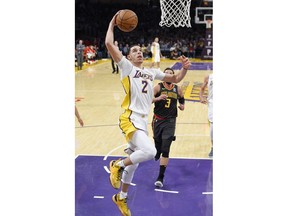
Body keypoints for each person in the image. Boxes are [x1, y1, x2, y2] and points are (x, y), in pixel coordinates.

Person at [105, 11, 191, 216]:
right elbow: (109, 44)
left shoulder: (151, 72)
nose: (139, 53)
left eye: (140, 50)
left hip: (143, 122)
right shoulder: (126, 68)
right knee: (151, 152)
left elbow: (176, 79)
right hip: (130, 117)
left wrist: (184, 68)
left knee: (134, 164)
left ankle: (121, 198)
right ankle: (116, 164)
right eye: (134, 51)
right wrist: (113, 22)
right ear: (128, 56)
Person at [152, 67, 185, 188]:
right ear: (163, 76)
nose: (169, 75)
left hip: (171, 121)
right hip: (157, 120)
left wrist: (182, 105)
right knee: (157, 141)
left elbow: (182, 98)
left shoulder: (177, 89)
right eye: (167, 73)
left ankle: (160, 177)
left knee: (166, 148)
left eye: (171, 74)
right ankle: (157, 149)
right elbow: (148, 99)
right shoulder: (158, 87)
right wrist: (157, 98)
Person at [199, 74, 213, 157]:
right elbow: (202, 88)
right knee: (213, 127)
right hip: (213, 104)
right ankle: (213, 147)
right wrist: (201, 97)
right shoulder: (209, 77)